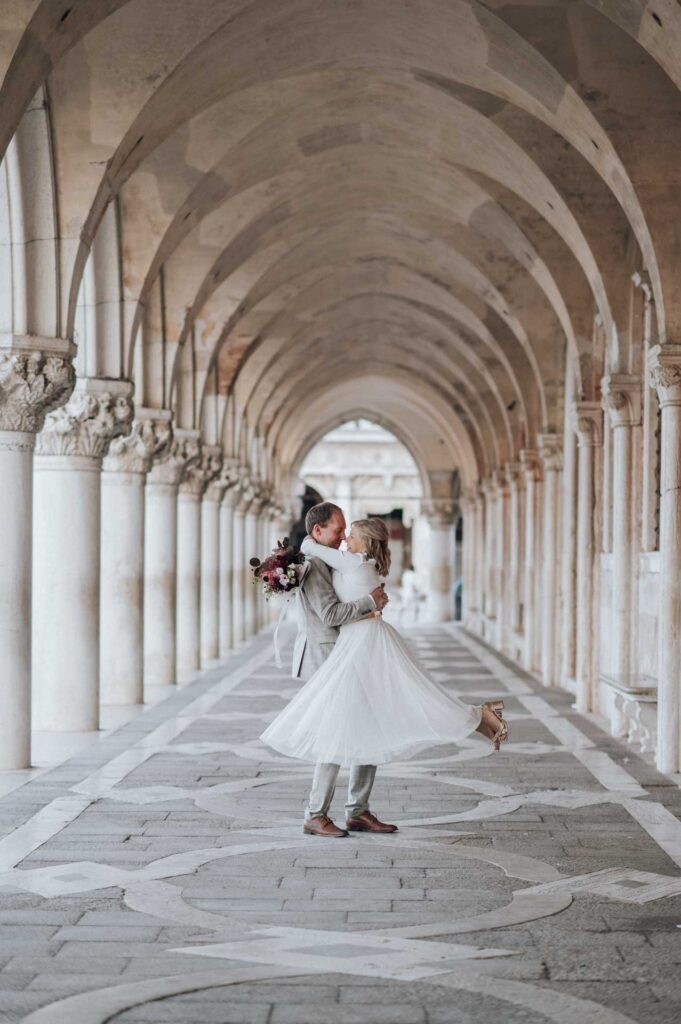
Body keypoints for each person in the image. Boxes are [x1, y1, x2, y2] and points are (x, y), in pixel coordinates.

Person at [260, 504, 508, 838]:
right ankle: (316, 813)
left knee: (368, 726)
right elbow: (330, 615)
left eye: (348, 531)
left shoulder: (346, 561)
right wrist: (371, 603)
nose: (343, 537)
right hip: (329, 654)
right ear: (317, 531)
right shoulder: (316, 563)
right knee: (333, 734)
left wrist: (370, 604)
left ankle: (357, 810)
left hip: (357, 651)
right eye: (338, 530)